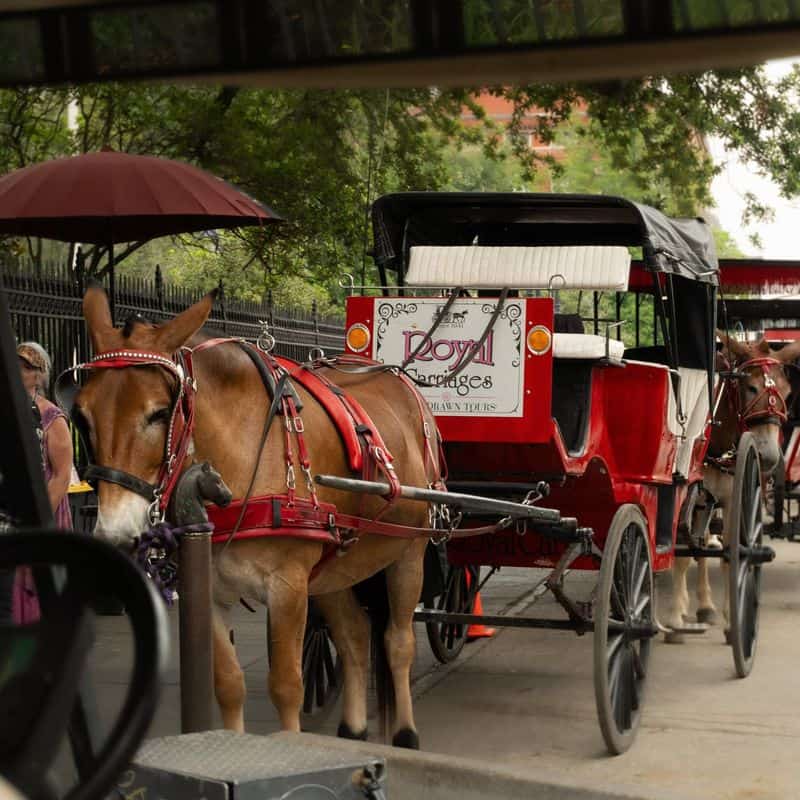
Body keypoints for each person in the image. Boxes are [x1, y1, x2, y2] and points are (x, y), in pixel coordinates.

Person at [13, 341, 74, 623]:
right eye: (17, 363)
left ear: (40, 375)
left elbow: (61, 475)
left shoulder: (52, 417)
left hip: (45, 511)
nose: (19, 369)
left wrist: (36, 519)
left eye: (27, 366)